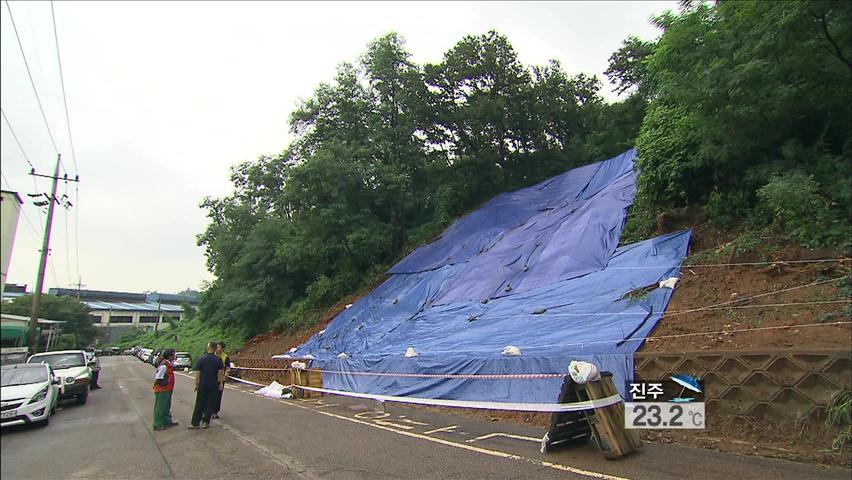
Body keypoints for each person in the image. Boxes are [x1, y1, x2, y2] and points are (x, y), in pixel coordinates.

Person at [189, 342, 224, 430]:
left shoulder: (201, 359)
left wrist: (196, 384)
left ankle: (195, 423)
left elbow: (198, 373)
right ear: (215, 349)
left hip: (203, 384)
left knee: (199, 403)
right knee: (210, 403)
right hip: (213, 384)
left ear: (208, 348)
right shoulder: (218, 359)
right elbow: (220, 373)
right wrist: (220, 383)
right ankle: (205, 422)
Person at [153, 349, 178, 431]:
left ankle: (167, 421)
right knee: (160, 407)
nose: (174, 356)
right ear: (170, 356)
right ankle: (157, 424)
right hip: (163, 389)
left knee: (166, 406)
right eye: (173, 355)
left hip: (167, 388)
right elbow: (158, 378)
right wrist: (156, 385)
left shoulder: (168, 364)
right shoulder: (164, 366)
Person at [211, 341, 231, 419]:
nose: (217, 348)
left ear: (223, 349)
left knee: (218, 395)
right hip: (212, 377)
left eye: (219, 347)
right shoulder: (212, 355)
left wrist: (227, 372)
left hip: (221, 379)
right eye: (216, 347)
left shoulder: (225, 357)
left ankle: (215, 411)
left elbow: (228, 367)